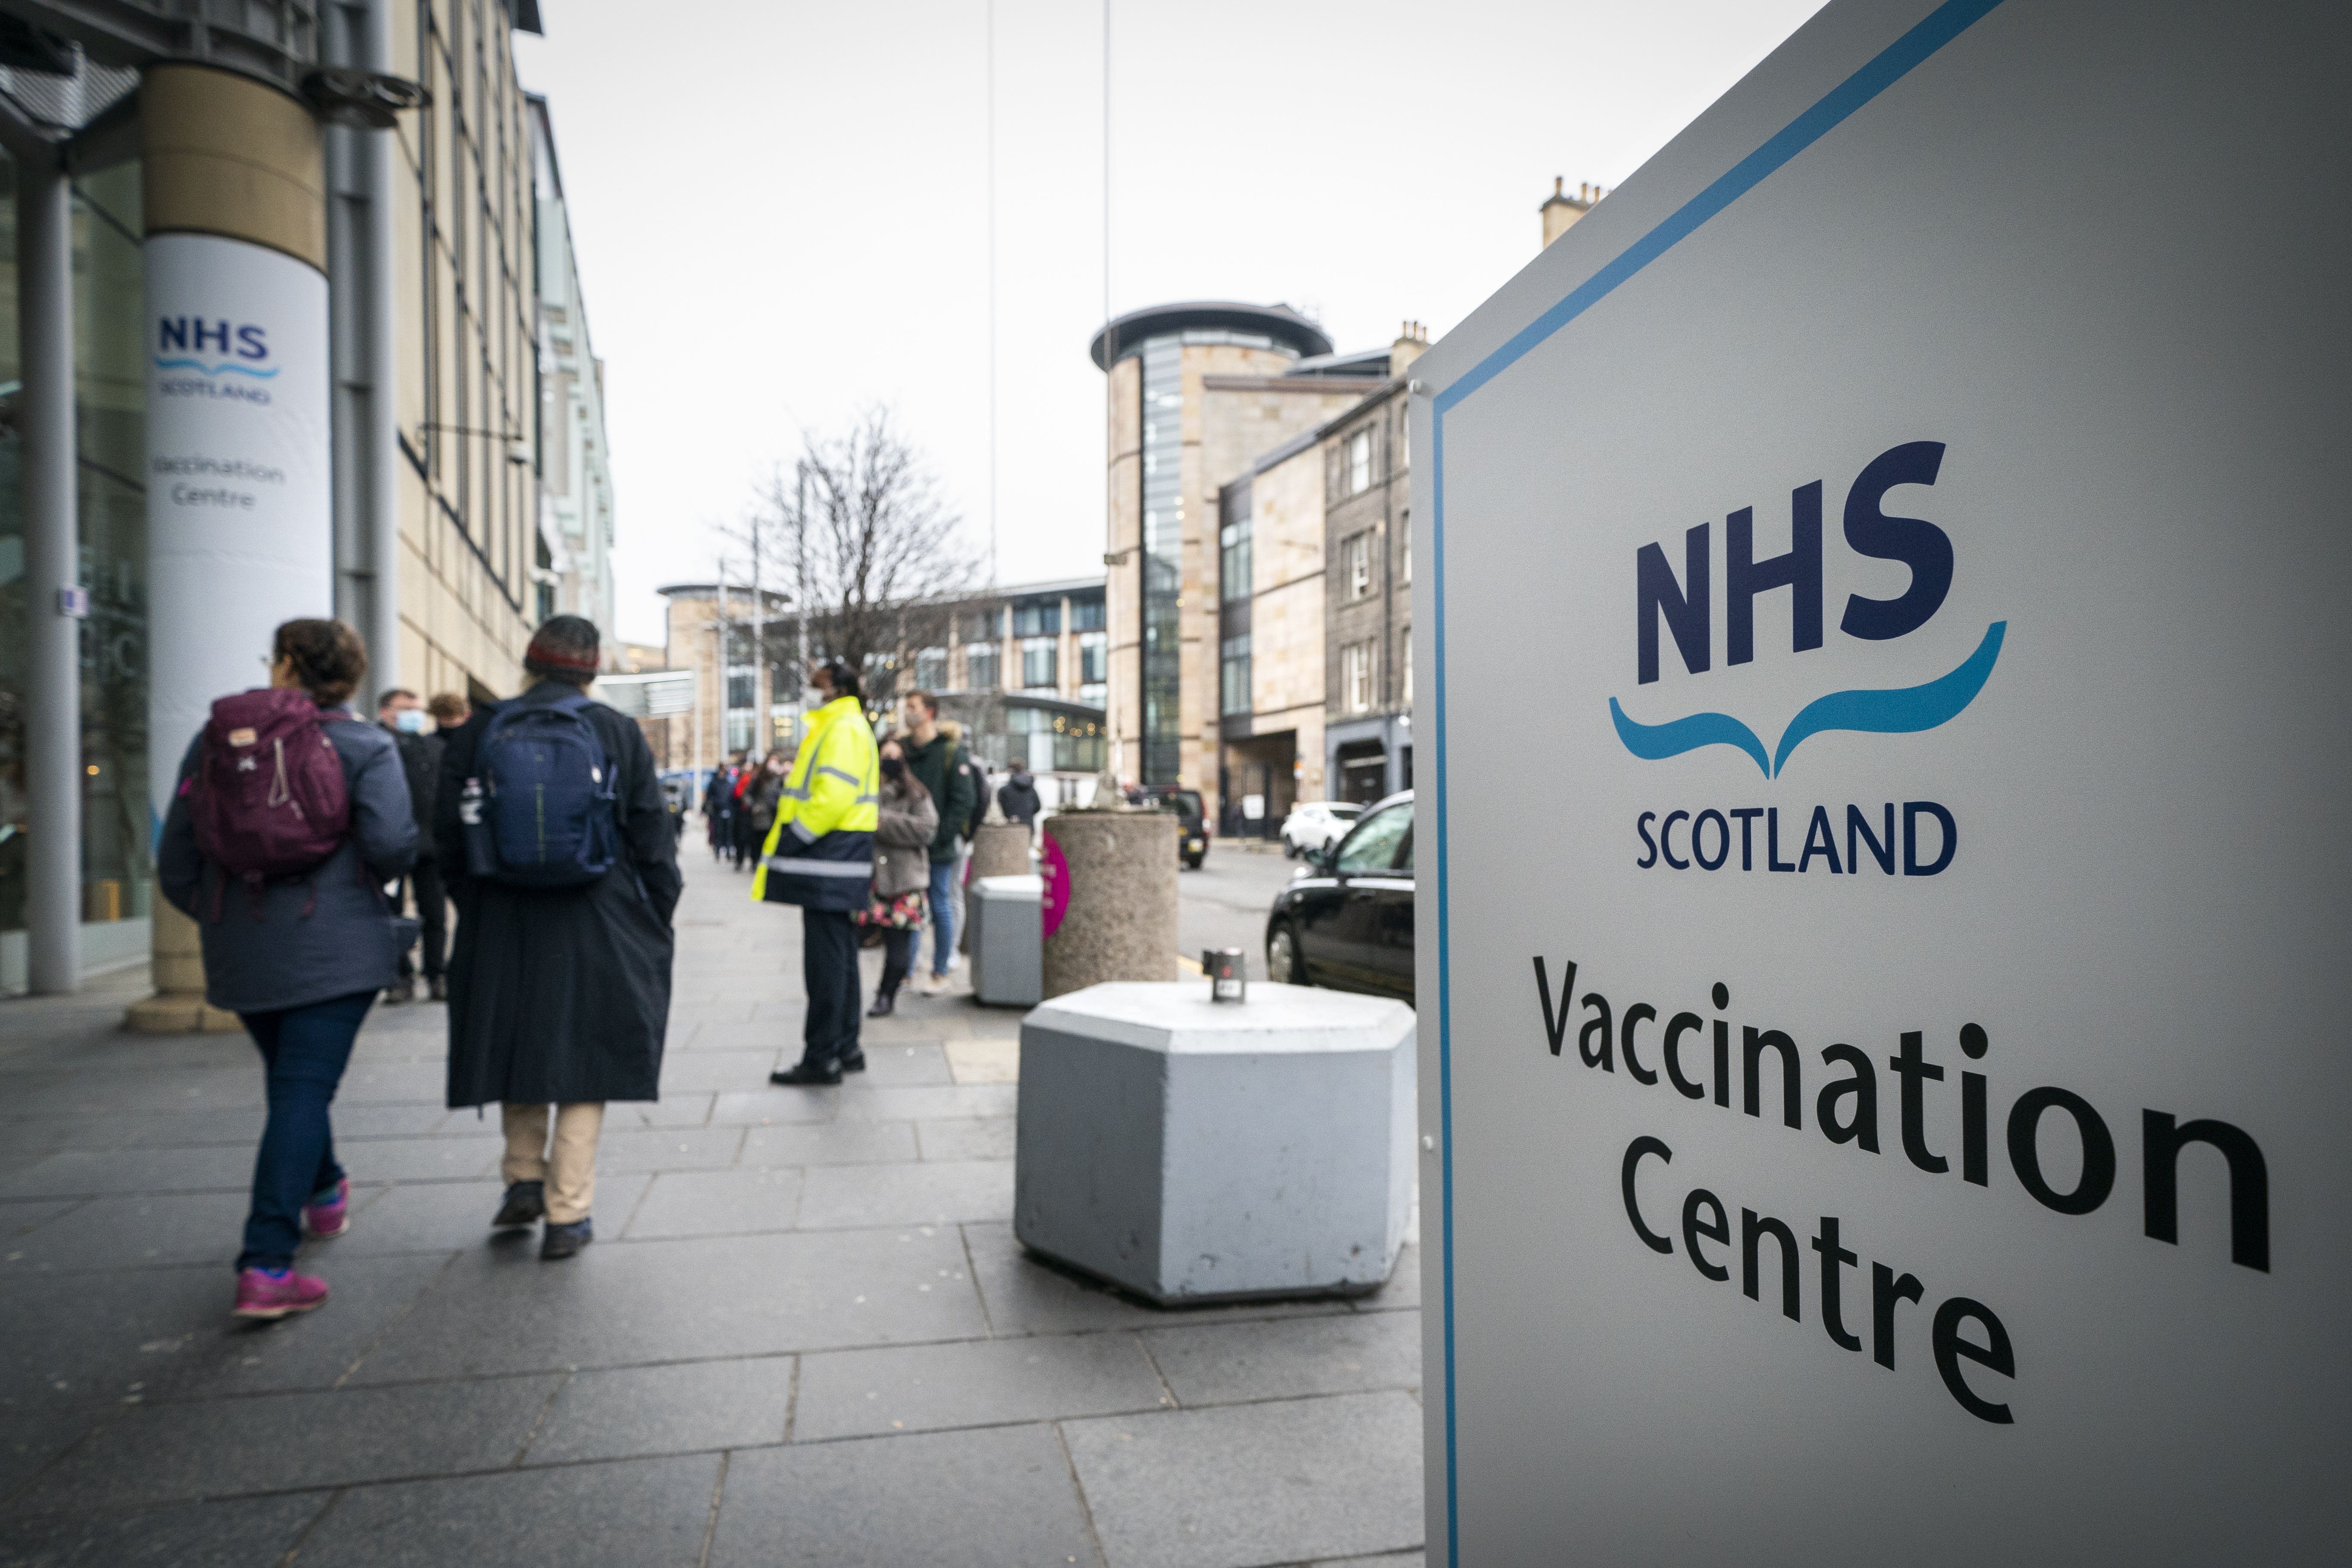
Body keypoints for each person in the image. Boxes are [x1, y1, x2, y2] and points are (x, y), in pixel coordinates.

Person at [158, 618, 417, 1320]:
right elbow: (393, 846)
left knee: (295, 1082)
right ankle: (267, 1261)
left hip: (240, 944)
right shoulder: (367, 744)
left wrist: (223, 917)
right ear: (352, 676)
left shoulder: (214, 742)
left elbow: (176, 860)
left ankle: (326, 1190)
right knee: (301, 1089)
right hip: (336, 946)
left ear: (285, 666)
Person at [435, 616, 680, 1260]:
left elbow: (444, 835)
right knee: (586, 1055)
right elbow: (652, 836)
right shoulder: (616, 732)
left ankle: (523, 1174)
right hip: (596, 914)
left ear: (529, 662)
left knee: (518, 1040)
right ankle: (568, 1214)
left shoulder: (482, 728)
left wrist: (476, 900)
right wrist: (655, 913)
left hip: (501, 913)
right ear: (591, 670)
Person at [756, 658, 880, 1085]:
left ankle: (821, 1056)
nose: (809, 690)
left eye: (815, 684)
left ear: (833, 689)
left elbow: (834, 796)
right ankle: (845, 1047)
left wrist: (796, 835)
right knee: (840, 957)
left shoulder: (841, 727)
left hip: (828, 859)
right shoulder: (844, 725)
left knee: (825, 964)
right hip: (838, 861)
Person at [897, 691, 976, 996]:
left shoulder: (950, 751)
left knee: (940, 904)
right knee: (909, 908)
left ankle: (940, 970)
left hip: (939, 847)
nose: (908, 712)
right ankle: (904, 969)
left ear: (929, 712)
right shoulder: (901, 751)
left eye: (913, 707)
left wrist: (939, 835)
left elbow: (963, 801)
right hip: (906, 846)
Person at [377, 687, 449, 1003]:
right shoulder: (377, 745)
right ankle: (399, 976)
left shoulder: (433, 746)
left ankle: (436, 974)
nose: (414, 714)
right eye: (407, 708)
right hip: (390, 846)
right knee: (390, 915)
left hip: (430, 847)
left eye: (417, 708)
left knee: (434, 913)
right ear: (386, 711)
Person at [859, 737, 939, 1018]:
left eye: (895, 755)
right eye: (885, 754)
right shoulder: (866, 786)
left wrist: (883, 822)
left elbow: (928, 829)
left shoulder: (916, 793)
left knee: (899, 948)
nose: (889, 760)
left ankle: (886, 995)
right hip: (870, 879)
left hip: (904, 880)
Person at [997, 763, 1042, 828]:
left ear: (1010, 771)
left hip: (1012, 825)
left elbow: (1003, 807)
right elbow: (1038, 806)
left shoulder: (1004, 790)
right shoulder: (1031, 788)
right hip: (1029, 825)